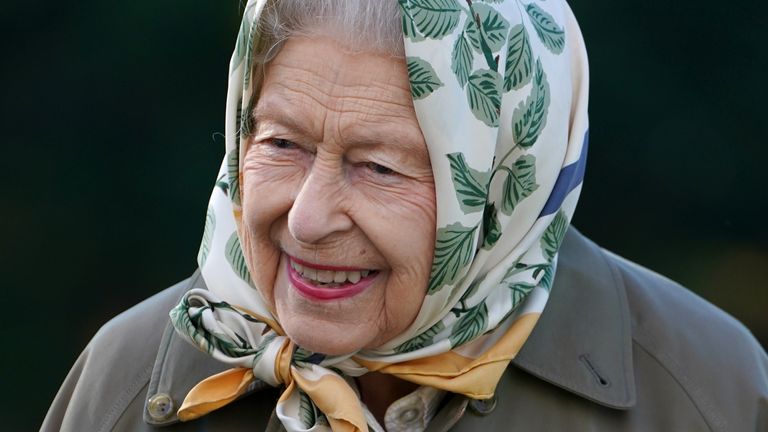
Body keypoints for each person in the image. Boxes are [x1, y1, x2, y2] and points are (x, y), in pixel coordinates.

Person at [42, 0, 767, 431]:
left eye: (379, 166)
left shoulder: (706, 393)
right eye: (283, 143)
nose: (307, 219)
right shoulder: (133, 378)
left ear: (504, 183)